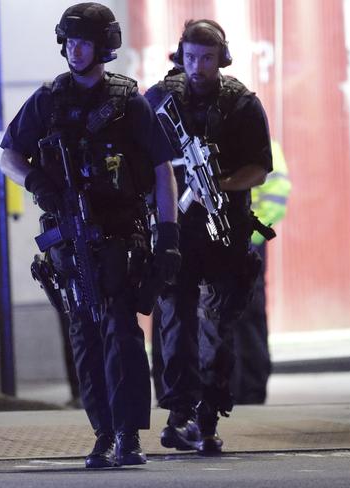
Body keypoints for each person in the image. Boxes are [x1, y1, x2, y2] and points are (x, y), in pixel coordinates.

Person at [1, 2, 179, 468]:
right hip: (69, 238)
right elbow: (9, 156)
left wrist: (169, 233)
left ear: (104, 47)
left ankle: (128, 434)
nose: (74, 49)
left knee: (121, 332)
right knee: (84, 335)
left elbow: (163, 169)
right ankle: (102, 432)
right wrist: (35, 181)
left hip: (120, 233)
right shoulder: (48, 99)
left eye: (83, 42)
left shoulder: (128, 102)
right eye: (69, 40)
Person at [145, 19, 272, 455]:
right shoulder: (160, 99)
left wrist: (220, 185)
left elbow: (260, 166)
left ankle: (208, 416)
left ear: (222, 59)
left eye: (208, 59)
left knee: (218, 323)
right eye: (192, 57)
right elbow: (141, 159)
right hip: (176, 230)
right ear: (181, 56)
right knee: (174, 321)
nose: (198, 67)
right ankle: (178, 413)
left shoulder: (241, 104)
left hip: (225, 228)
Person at [231, 140, 290, 404]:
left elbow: (277, 194)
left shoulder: (261, 139)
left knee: (249, 314)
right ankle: (232, 387)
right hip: (225, 237)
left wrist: (252, 235)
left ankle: (251, 389)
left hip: (248, 239)